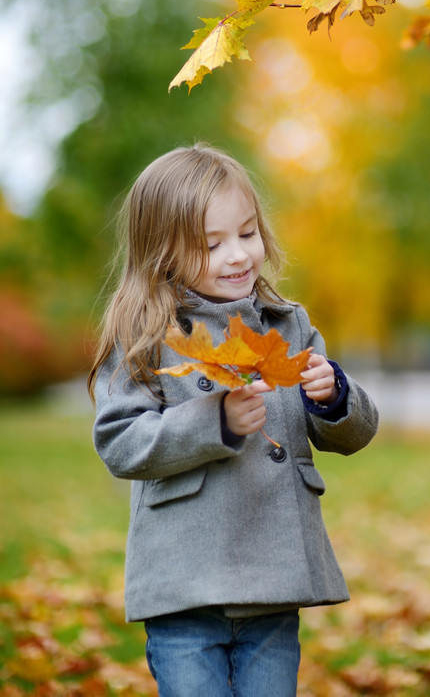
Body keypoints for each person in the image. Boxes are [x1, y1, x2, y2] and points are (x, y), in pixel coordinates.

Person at [89, 143, 379, 697]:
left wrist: (333, 396)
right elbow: (121, 442)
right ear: (162, 253)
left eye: (247, 233)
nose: (238, 255)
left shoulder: (287, 325)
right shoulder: (147, 336)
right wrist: (212, 422)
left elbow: (353, 435)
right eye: (210, 244)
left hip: (274, 576)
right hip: (186, 582)